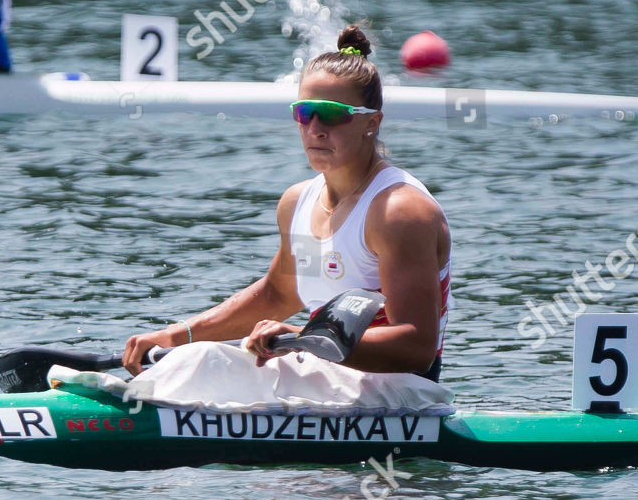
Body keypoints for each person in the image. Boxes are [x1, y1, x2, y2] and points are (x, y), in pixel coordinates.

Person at [122, 26, 452, 381]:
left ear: (371, 122)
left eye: (331, 114)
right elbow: (279, 294)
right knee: (194, 358)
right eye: (304, 112)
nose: (314, 129)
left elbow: (416, 348)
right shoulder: (299, 202)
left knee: (202, 368)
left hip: (398, 399)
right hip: (321, 380)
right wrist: (177, 336)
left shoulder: (397, 212)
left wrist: (304, 339)